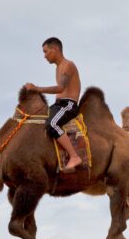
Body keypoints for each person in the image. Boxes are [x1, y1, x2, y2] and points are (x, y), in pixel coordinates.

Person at [24, 37, 84, 173]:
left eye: (46, 52)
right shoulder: (58, 68)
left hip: (68, 105)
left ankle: (74, 157)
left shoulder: (68, 65)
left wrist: (37, 89)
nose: (44, 56)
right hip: (58, 106)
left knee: (52, 124)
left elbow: (60, 88)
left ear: (55, 49)